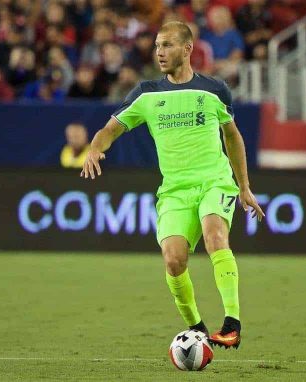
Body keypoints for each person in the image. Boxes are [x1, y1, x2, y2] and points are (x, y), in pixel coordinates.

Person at [81, 21, 264, 349]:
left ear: (187, 49)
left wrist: (244, 186)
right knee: (173, 259)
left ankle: (232, 323)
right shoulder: (146, 94)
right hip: (175, 190)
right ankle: (198, 329)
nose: (159, 52)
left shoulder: (214, 90)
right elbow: (110, 129)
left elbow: (232, 136)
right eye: (156, 46)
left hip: (214, 181)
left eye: (166, 45)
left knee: (215, 235)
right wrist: (95, 147)